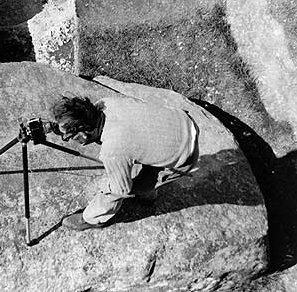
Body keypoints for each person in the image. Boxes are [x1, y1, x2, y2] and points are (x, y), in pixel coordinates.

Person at [51, 95, 199, 231]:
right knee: (137, 159)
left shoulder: (113, 151)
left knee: (119, 186)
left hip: (183, 154)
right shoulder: (107, 103)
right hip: (181, 122)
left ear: (83, 134)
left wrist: (106, 186)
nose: (68, 139)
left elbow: (121, 189)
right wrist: (55, 127)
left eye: (68, 137)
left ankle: (93, 219)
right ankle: (148, 193)